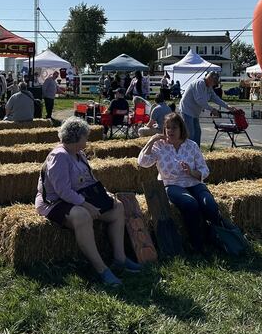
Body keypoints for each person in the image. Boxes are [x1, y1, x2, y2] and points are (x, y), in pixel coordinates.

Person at [36, 117, 141, 286]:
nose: (87, 139)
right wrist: (86, 205)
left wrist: (105, 195)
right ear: (77, 137)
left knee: (117, 208)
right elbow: (63, 191)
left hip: (79, 197)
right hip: (54, 202)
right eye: (85, 136)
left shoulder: (79, 154)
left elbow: (89, 180)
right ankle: (102, 270)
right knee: (83, 215)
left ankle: (120, 259)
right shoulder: (60, 156)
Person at [138, 113, 221, 253]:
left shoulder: (191, 145)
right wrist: (151, 141)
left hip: (194, 182)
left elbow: (204, 170)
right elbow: (142, 163)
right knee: (190, 204)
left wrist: (191, 172)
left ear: (181, 129)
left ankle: (217, 237)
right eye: (167, 128)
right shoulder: (159, 146)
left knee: (210, 205)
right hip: (172, 184)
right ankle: (197, 245)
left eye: (174, 128)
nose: (170, 131)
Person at [180, 72, 236, 145]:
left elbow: (215, 98)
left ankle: (197, 152)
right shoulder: (199, 83)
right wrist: (212, 109)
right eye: (214, 82)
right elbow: (199, 100)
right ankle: (188, 152)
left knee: (197, 133)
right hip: (187, 110)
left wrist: (227, 106)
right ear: (210, 79)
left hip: (195, 112)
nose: (215, 84)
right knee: (190, 133)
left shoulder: (208, 86)